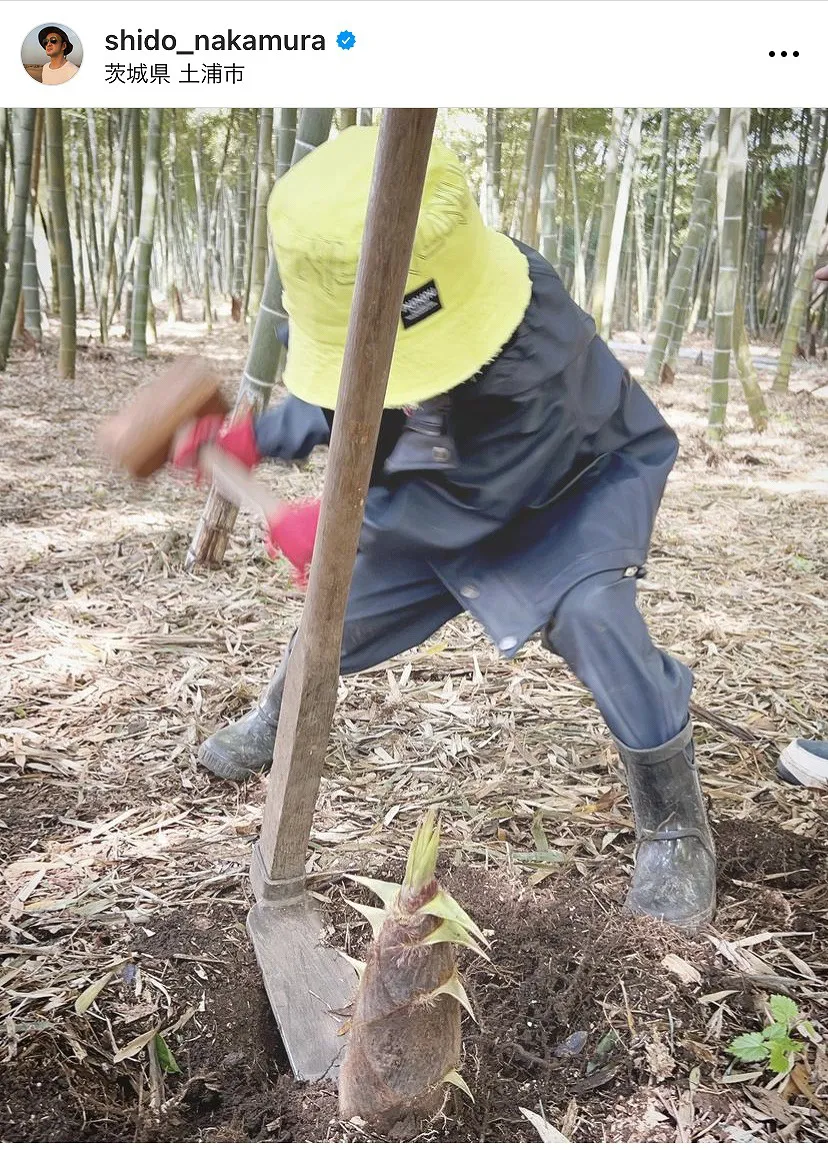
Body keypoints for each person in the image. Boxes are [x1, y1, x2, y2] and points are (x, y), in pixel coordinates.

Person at [174, 127, 716, 933]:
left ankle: (674, 819)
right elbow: (347, 395)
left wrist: (332, 524)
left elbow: (475, 495)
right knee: (340, 607)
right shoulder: (349, 295)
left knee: (594, 618)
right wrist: (259, 440)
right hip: (438, 492)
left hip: (569, 488)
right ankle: (279, 717)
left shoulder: (535, 345)